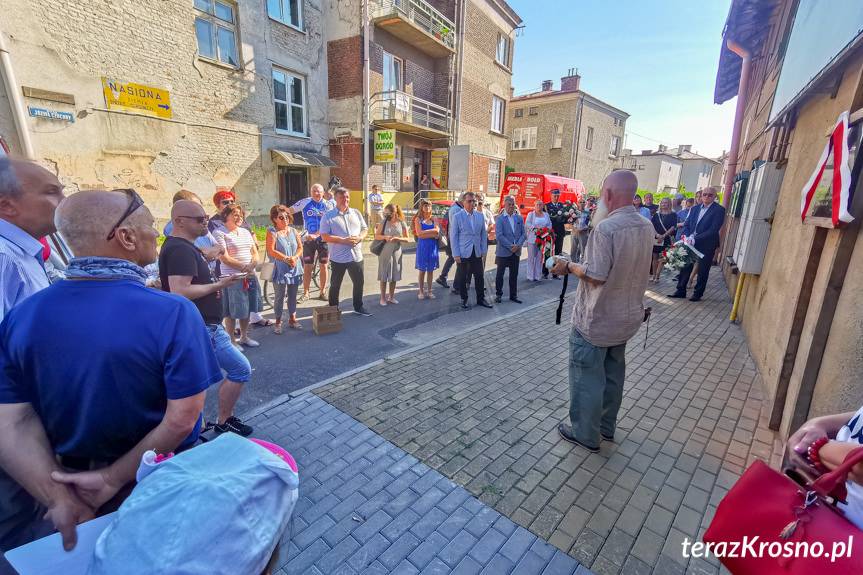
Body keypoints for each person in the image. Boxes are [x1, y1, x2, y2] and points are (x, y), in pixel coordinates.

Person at [0, 190, 221, 560]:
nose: (158, 234)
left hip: (65, 487)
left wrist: (59, 497)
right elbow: (182, 418)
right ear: (127, 237)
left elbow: (12, 421)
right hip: (155, 484)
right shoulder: (172, 312)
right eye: (150, 226)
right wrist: (111, 478)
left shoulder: (22, 316)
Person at [551, 170, 654, 452]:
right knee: (612, 375)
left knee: (586, 377)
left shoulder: (606, 229)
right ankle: (606, 428)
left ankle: (585, 433)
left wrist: (569, 266)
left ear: (608, 195)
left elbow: (596, 275)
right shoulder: (646, 225)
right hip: (626, 319)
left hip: (596, 321)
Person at [160, 200, 253, 436]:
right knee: (240, 369)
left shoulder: (183, 247)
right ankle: (222, 421)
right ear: (179, 221)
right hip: (203, 327)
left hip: (204, 325)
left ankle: (200, 426)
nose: (206, 222)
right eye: (200, 219)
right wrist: (219, 284)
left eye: (205, 218)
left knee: (198, 381)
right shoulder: (180, 249)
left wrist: (210, 261)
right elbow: (180, 290)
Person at [0, 158, 65, 321]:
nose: (65, 201)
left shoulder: (20, 252)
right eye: (51, 192)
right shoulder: (4, 257)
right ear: (6, 206)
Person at [787, 408, 863, 530]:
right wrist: (819, 424)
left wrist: (816, 446)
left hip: (847, 529)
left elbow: (859, 467)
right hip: (820, 506)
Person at [214, 205, 262, 348]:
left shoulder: (245, 232)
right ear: (226, 216)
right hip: (232, 278)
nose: (239, 217)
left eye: (241, 215)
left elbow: (254, 252)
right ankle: (232, 341)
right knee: (231, 310)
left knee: (246, 307)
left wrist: (253, 264)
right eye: (235, 214)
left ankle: (244, 337)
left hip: (249, 276)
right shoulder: (219, 233)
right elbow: (225, 258)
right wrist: (244, 267)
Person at [321, 187, 372, 316]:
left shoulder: (356, 213)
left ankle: (358, 306)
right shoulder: (328, 216)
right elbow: (324, 236)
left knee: (359, 283)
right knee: (335, 285)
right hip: (338, 258)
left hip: (356, 256)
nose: (345, 199)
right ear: (336, 199)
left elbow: (365, 229)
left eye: (347, 197)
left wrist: (360, 237)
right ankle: (333, 309)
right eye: (342, 197)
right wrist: (344, 240)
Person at [669, 186, 726, 302]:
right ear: (701, 196)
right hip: (690, 241)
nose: (706, 197)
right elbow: (687, 224)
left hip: (707, 244)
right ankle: (680, 290)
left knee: (703, 269)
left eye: (710, 195)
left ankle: (697, 293)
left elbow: (713, 230)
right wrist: (686, 236)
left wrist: (695, 238)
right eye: (704, 194)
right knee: (685, 266)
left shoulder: (719, 210)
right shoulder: (694, 209)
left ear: (715, 197)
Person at [450, 191, 492, 310]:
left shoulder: (480, 215)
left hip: (477, 251)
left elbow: (483, 235)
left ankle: (480, 298)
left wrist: (483, 250)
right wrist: (456, 254)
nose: (472, 203)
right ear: (463, 202)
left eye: (474, 201)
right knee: (463, 277)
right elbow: (454, 237)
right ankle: (464, 299)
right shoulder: (457, 216)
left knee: (479, 276)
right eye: (469, 201)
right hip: (463, 252)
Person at [266, 205, 304, 333]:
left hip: (294, 266)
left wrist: (294, 257)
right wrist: (286, 258)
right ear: (275, 219)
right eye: (281, 218)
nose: (285, 220)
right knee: (279, 296)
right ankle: (278, 322)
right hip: (280, 268)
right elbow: (271, 250)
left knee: (293, 295)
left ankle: (293, 319)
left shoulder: (293, 231)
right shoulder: (272, 231)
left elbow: (300, 247)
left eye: (287, 217)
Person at [290, 184, 330, 302]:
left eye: (319, 191)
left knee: (323, 265)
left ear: (323, 193)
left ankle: (322, 292)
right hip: (308, 240)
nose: (316, 193)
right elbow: (289, 211)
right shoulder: (305, 202)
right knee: (307, 266)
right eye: (314, 191)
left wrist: (318, 235)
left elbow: (330, 222)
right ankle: (306, 293)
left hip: (324, 240)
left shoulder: (328, 205)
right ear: (311, 192)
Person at [163, 190, 223, 265]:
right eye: (196, 206)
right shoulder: (173, 227)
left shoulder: (201, 224)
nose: (200, 209)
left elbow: (220, 248)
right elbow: (190, 252)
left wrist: (211, 252)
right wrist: (208, 252)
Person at [375, 204, 409, 306]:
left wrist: (397, 239)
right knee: (384, 274)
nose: (385, 215)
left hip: (396, 251)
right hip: (384, 251)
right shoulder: (384, 221)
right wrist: (385, 237)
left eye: (388, 213)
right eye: (385, 213)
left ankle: (391, 297)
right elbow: (377, 236)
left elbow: (407, 238)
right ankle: (382, 298)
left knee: (394, 274)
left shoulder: (401, 222)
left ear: (394, 212)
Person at [494, 195, 526, 304]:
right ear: (505, 205)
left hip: (516, 252)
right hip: (503, 252)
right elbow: (499, 236)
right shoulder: (499, 219)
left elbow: (523, 234)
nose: (511, 206)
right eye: (509, 204)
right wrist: (510, 246)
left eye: (513, 204)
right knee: (500, 275)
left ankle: (513, 295)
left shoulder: (519, 218)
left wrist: (517, 245)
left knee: (514, 275)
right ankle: (498, 295)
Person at [435, 193, 465, 290]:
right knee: (456, 259)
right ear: (462, 200)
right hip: (454, 238)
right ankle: (455, 284)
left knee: (452, 258)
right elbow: (457, 225)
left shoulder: (455, 207)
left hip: (452, 236)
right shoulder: (457, 209)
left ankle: (443, 277)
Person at [413, 199, 440, 299]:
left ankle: (429, 291)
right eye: (425, 206)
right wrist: (431, 233)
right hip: (423, 247)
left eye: (429, 205)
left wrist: (425, 232)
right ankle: (420, 291)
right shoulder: (418, 219)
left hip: (432, 247)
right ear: (422, 207)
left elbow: (437, 231)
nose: (427, 207)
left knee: (430, 271)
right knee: (422, 270)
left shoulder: (434, 219)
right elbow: (419, 234)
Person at [650, 198, 677, 282]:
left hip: (667, 239)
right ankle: (653, 275)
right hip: (657, 239)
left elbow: (673, 227)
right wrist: (657, 235)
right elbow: (652, 225)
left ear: (669, 204)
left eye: (666, 203)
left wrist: (664, 235)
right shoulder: (656, 215)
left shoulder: (673, 215)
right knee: (655, 257)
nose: (664, 204)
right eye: (662, 203)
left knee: (663, 257)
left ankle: (657, 275)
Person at [525, 199, 552, 281]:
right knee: (531, 257)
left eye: (541, 205)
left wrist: (546, 230)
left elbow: (549, 224)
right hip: (532, 239)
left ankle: (537, 275)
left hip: (543, 238)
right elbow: (527, 224)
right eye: (537, 205)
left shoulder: (546, 214)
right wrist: (536, 229)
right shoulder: (531, 214)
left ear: (543, 206)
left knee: (540, 257)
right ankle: (530, 276)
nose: (539, 206)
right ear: (535, 206)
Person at [546, 189, 568, 279]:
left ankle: (556, 273)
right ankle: (545, 271)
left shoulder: (562, 206)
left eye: (557, 196)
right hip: (551, 232)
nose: (556, 197)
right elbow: (547, 219)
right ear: (551, 196)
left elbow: (565, 219)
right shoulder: (547, 206)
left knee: (558, 253)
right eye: (554, 196)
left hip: (560, 231)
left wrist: (567, 218)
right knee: (548, 252)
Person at [571, 198, 590, 263]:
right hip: (574, 232)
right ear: (577, 203)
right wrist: (574, 229)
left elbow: (590, 224)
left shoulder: (588, 212)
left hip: (583, 233)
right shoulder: (574, 211)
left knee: (583, 250)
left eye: (583, 202)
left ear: (585, 203)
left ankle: (582, 265)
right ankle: (573, 264)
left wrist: (583, 229)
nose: (582, 203)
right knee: (573, 250)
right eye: (580, 202)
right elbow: (569, 222)